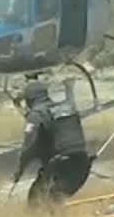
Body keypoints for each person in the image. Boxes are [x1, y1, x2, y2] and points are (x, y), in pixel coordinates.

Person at [12, 81, 93, 209]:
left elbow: (28, 147)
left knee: (36, 202)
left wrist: (19, 171)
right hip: (82, 168)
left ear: (30, 99)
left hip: (59, 169)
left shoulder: (37, 115)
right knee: (54, 202)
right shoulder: (66, 108)